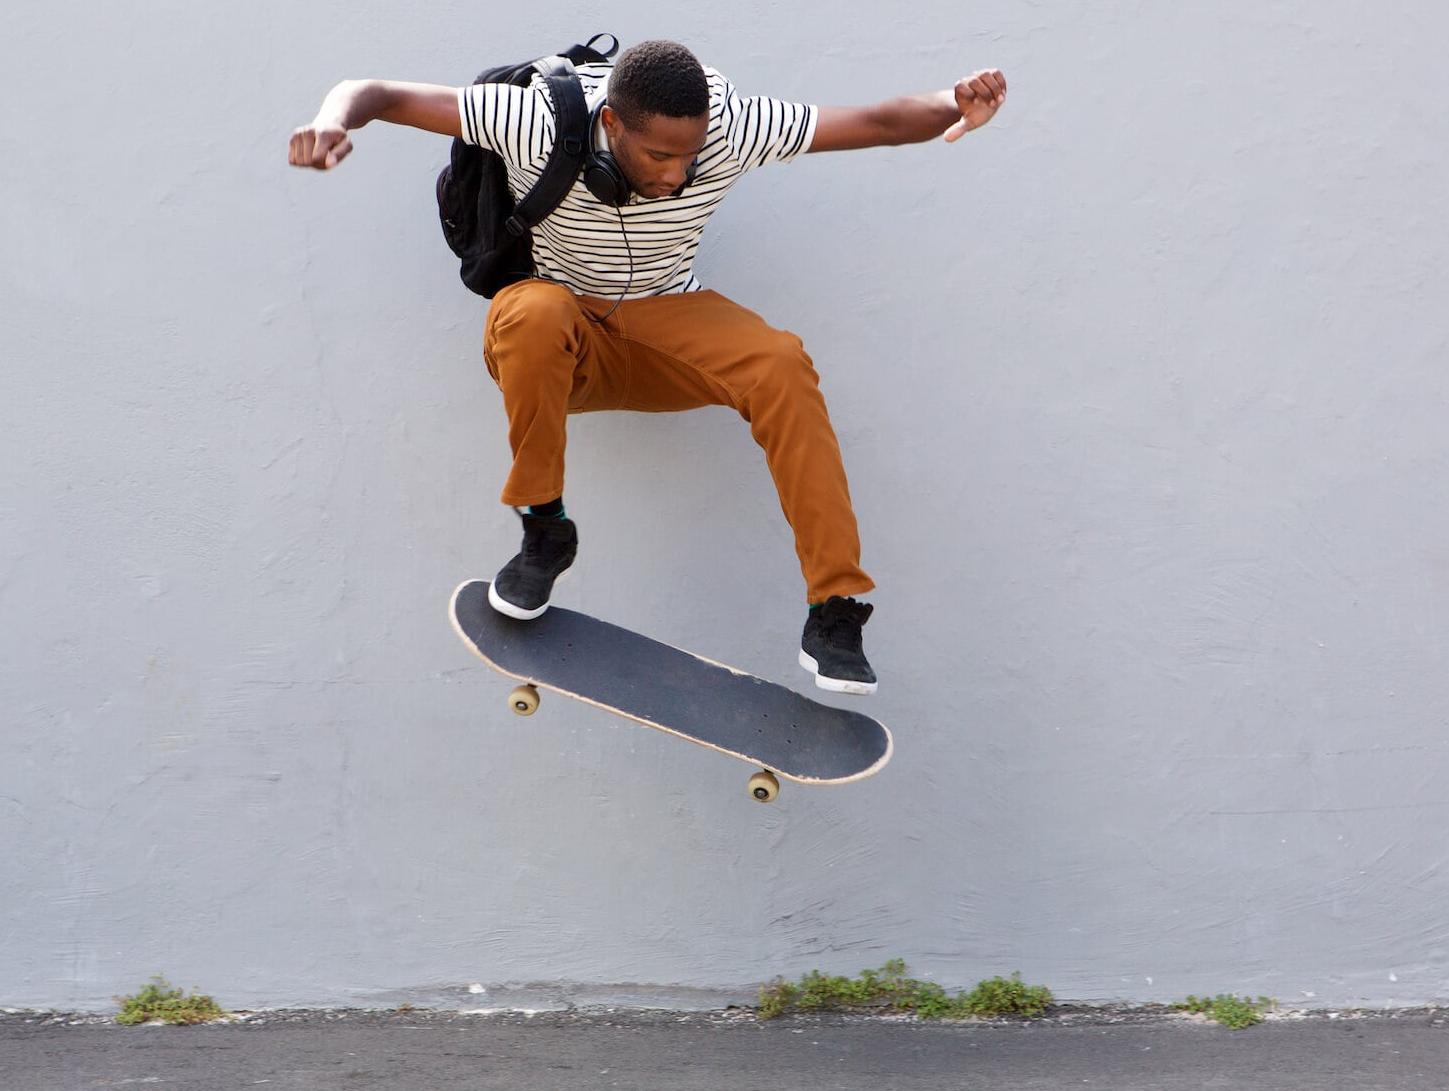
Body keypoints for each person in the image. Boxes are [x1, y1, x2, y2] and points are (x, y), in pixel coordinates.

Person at [289, 41, 1006, 696]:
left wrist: (953, 104)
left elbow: (876, 122)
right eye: (658, 157)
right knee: (532, 313)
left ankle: (836, 607)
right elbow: (374, 90)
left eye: (688, 157)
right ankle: (544, 526)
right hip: (564, 336)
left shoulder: (729, 127)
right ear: (610, 128)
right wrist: (331, 120)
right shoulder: (531, 119)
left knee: (780, 360)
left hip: (666, 326)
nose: (676, 174)